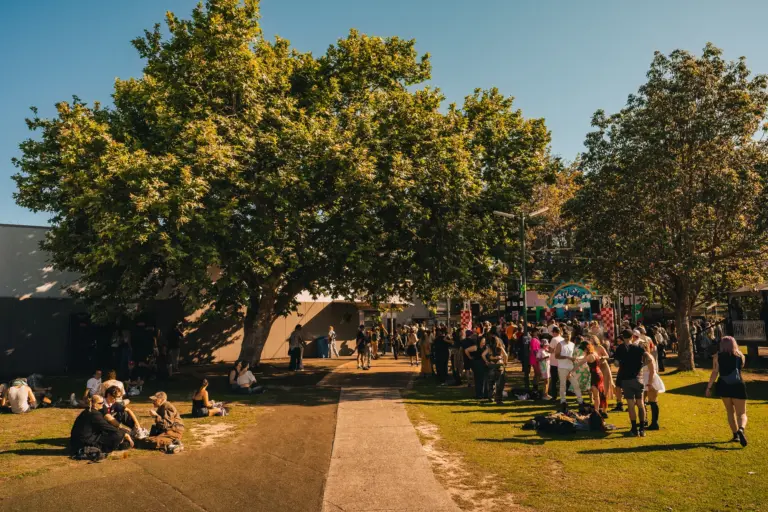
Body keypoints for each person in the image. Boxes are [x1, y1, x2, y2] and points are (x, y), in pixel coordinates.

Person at [706, 336, 748, 446]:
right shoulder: (740, 356)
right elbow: (741, 367)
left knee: (730, 411)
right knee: (741, 413)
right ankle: (741, 429)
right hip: (738, 385)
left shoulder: (717, 357)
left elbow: (715, 372)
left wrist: (709, 387)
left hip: (724, 385)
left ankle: (735, 435)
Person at [616, 329, 654, 437]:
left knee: (631, 405)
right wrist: (641, 365)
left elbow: (616, 363)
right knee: (640, 403)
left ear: (623, 337)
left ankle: (633, 429)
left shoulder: (620, 348)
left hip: (626, 379)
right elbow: (649, 359)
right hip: (638, 378)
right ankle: (642, 429)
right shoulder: (638, 348)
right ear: (632, 337)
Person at [573, 338, 607, 416]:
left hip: (595, 375)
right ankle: (603, 411)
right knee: (601, 394)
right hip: (599, 374)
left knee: (596, 396)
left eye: (583, 349)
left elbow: (579, 364)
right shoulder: (594, 353)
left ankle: (596, 413)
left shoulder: (589, 356)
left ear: (586, 349)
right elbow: (583, 358)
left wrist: (571, 372)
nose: (582, 351)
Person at [639, 339, 665, 430]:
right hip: (643, 380)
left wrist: (649, 383)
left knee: (653, 401)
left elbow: (652, 371)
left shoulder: (648, 357)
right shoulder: (642, 357)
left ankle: (654, 423)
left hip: (650, 381)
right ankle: (644, 420)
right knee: (641, 401)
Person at [554, 331, 584, 412]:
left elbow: (575, 355)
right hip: (562, 367)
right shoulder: (560, 344)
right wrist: (567, 357)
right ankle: (563, 401)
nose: (566, 337)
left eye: (568, 336)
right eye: (565, 336)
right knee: (563, 385)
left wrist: (575, 359)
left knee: (576, 384)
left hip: (571, 367)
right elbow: (556, 355)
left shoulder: (572, 344)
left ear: (571, 335)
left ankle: (580, 401)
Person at [483, 336, 508, 404]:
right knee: (500, 384)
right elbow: (505, 355)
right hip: (499, 365)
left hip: (492, 365)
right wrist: (505, 362)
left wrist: (486, 361)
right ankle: (498, 399)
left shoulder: (489, 348)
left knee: (491, 382)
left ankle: (491, 397)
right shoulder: (500, 347)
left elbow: (483, 355)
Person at [548, 326, 563, 399]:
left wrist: (548, 350)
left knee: (554, 380)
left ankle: (554, 395)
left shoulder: (554, 339)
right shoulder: (563, 339)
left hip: (554, 362)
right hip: (562, 362)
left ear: (554, 332)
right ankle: (562, 395)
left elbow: (550, 350)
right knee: (561, 380)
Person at [536, 334, 552, 400]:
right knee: (546, 381)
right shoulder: (540, 351)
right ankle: (544, 395)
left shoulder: (546, 350)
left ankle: (546, 393)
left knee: (547, 381)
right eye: (545, 345)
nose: (547, 345)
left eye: (547, 344)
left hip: (547, 366)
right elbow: (537, 359)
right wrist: (545, 357)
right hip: (543, 367)